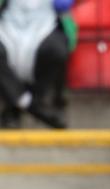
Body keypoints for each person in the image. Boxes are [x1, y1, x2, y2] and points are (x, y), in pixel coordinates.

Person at [0, 0, 74, 128]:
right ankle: (33, 107)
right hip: (8, 25)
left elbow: (63, 4)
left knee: (56, 50)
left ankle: (21, 103)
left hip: (44, 26)